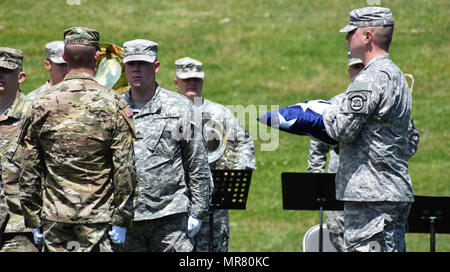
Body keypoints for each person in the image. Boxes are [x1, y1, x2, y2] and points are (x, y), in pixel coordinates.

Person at [16, 27, 136, 252]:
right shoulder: (114, 103)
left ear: (63, 57)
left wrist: (33, 219)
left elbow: (28, 169)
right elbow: (125, 168)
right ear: (97, 56)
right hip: (99, 220)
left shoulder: (41, 103)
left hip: (55, 218)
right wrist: (122, 218)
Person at [322, 7, 415, 252]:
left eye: (351, 32)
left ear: (367, 37)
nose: (346, 37)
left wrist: (320, 112)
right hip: (388, 191)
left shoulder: (369, 78)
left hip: (371, 195)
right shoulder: (396, 75)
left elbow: (342, 130)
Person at [308, 52, 420, 252]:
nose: (360, 71)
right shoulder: (338, 102)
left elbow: (410, 137)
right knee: (337, 231)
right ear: (349, 70)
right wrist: (315, 177)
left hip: (379, 185)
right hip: (342, 183)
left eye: (363, 66)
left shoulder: (390, 98)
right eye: (355, 67)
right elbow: (318, 137)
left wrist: (388, 156)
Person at [117, 40, 212, 252]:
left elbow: (197, 163)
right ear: (124, 68)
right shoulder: (114, 107)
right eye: (131, 64)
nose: (137, 69)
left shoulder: (180, 107)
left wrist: (197, 212)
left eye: (143, 64)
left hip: (170, 217)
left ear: (156, 66)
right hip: (127, 218)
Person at [173, 57, 256, 252]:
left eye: (196, 79)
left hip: (214, 204)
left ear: (203, 80)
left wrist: (237, 172)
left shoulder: (220, 113)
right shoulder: (168, 111)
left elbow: (244, 140)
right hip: (176, 202)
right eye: (186, 79)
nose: (191, 83)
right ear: (176, 81)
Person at [0, 47, 36, 251]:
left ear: (21, 77)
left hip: (19, 227)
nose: (0, 75)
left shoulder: (34, 114)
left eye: (5, 70)